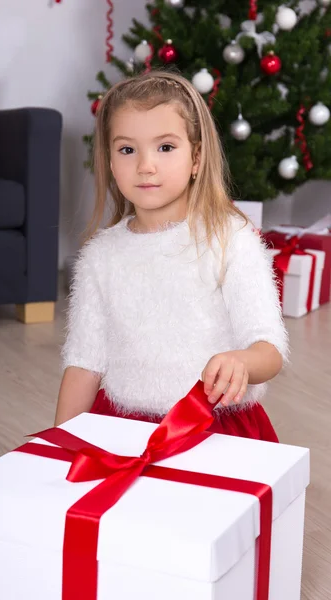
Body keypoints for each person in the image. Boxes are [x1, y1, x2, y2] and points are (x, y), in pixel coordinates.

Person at [54, 70, 288, 442]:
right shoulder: (100, 257)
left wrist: (241, 361)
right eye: (127, 150)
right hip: (122, 428)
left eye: (165, 147)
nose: (146, 165)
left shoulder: (231, 240)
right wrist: (58, 448)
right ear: (112, 163)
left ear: (196, 158)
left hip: (214, 426)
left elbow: (269, 349)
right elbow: (84, 364)